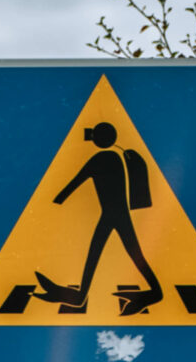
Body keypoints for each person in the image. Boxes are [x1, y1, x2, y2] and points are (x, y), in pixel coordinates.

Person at [35, 122, 163, 316]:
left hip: (114, 215)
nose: (91, 137)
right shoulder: (118, 157)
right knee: (125, 253)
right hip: (116, 214)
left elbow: (76, 181)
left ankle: (155, 293)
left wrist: (53, 202)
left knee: (109, 253)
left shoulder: (101, 158)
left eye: (94, 135)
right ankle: (82, 295)